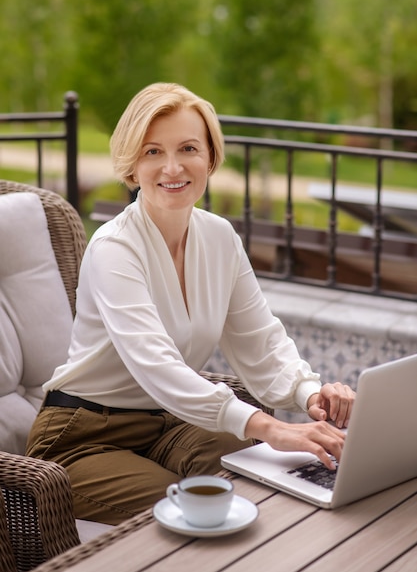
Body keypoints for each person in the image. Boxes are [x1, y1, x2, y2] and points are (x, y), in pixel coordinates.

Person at [26, 83, 355, 525]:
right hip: (83, 435)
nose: (173, 166)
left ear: (210, 158)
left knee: (270, 478)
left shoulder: (220, 238)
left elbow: (260, 341)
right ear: (131, 165)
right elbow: (158, 366)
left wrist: (310, 393)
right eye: (153, 152)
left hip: (170, 422)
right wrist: (271, 426)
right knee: (203, 510)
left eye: (188, 148)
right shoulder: (113, 249)